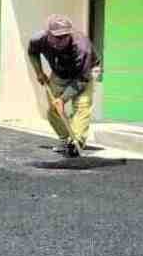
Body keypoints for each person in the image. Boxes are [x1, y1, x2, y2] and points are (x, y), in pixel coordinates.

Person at [28, 15, 100, 157]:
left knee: (82, 105)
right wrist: (39, 72)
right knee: (54, 109)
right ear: (48, 34)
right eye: (57, 37)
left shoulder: (82, 47)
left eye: (65, 36)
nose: (61, 40)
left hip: (84, 72)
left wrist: (63, 98)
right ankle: (66, 139)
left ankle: (77, 142)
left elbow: (82, 79)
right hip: (59, 72)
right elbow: (32, 53)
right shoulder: (38, 39)